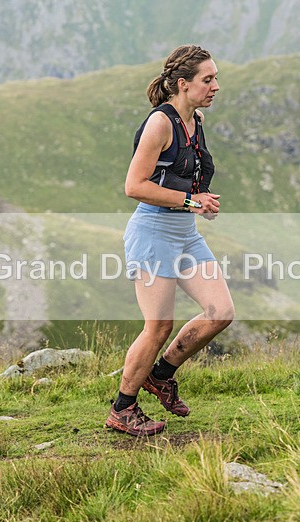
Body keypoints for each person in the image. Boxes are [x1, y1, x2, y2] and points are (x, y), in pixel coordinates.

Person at [105, 45, 234, 437]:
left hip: (185, 234)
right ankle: (122, 409)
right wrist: (192, 200)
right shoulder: (160, 124)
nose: (215, 86)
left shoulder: (195, 121)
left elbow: (183, 180)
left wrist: (200, 203)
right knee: (158, 325)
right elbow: (134, 186)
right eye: (207, 79)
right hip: (153, 234)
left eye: (215, 78)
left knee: (220, 311)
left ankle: (161, 376)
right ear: (183, 84)